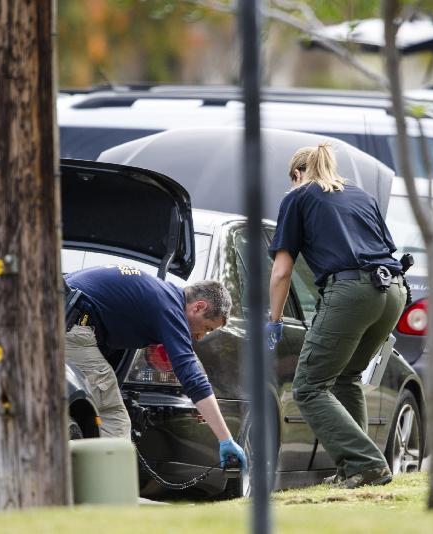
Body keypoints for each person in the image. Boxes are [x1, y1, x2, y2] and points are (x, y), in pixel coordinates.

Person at [266, 143, 407, 489]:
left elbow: (282, 271)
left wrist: (275, 319)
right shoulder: (361, 196)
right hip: (393, 291)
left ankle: (367, 463)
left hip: (352, 291)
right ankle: (355, 468)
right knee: (345, 377)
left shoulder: (297, 197)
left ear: (298, 174)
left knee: (309, 386)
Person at [65, 265, 246, 469]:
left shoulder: (162, 294)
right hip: (72, 326)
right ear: (199, 307)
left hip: (52, 313)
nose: (201, 336)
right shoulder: (171, 308)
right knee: (114, 418)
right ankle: (108, 495)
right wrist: (225, 439)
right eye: (207, 328)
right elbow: (193, 377)